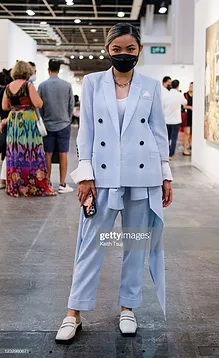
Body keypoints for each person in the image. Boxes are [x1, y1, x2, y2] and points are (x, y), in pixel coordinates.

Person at [55, 22, 173, 344]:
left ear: (139, 50)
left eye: (130, 49)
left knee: (134, 244)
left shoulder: (149, 85)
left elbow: (159, 133)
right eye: (117, 49)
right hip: (104, 179)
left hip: (142, 176)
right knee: (91, 244)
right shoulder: (93, 83)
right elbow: (88, 132)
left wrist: (165, 175)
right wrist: (85, 175)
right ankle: (73, 312)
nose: (123, 54)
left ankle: (128, 308)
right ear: (107, 50)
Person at [1, 61, 55, 197]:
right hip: (27, 121)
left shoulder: (8, 87)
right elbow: (38, 103)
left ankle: (16, 185)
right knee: (32, 152)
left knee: (15, 152)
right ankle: (34, 185)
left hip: (14, 120)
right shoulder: (28, 85)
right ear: (27, 72)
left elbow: (4, 107)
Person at [38, 60, 74, 194]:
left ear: (48, 70)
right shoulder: (67, 85)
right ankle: (62, 184)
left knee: (47, 153)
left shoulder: (42, 86)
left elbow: (39, 106)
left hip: (47, 124)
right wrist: (67, 118)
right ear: (59, 70)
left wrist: (42, 119)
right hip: (63, 123)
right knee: (63, 153)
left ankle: (47, 183)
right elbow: (71, 105)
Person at [163, 79, 187, 160]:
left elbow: (162, 106)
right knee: (174, 138)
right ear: (178, 86)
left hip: (167, 120)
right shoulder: (179, 95)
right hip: (176, 120)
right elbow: (184, 102)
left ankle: (165, 153)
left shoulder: (166, 95)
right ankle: (171, 154)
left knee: (167, 138)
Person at [0, 71, 12, 189]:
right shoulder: (27, 87)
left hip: (6, 123)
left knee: (7, 153)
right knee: (9, 152)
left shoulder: (7, 90)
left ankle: (3, 180)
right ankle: (5, 180)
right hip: (11, 123)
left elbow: (3, 107)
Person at [182, 82, 193, 156]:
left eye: (192, 86)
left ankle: (191, 147)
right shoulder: (185, 95)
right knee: (187, 133)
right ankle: (185, 149)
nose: (191, 87)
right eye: (190, 86)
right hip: (187, 116)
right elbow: (183, 106)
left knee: (192, 134)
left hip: (194, 116)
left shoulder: (197, 95)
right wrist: (190, 107)